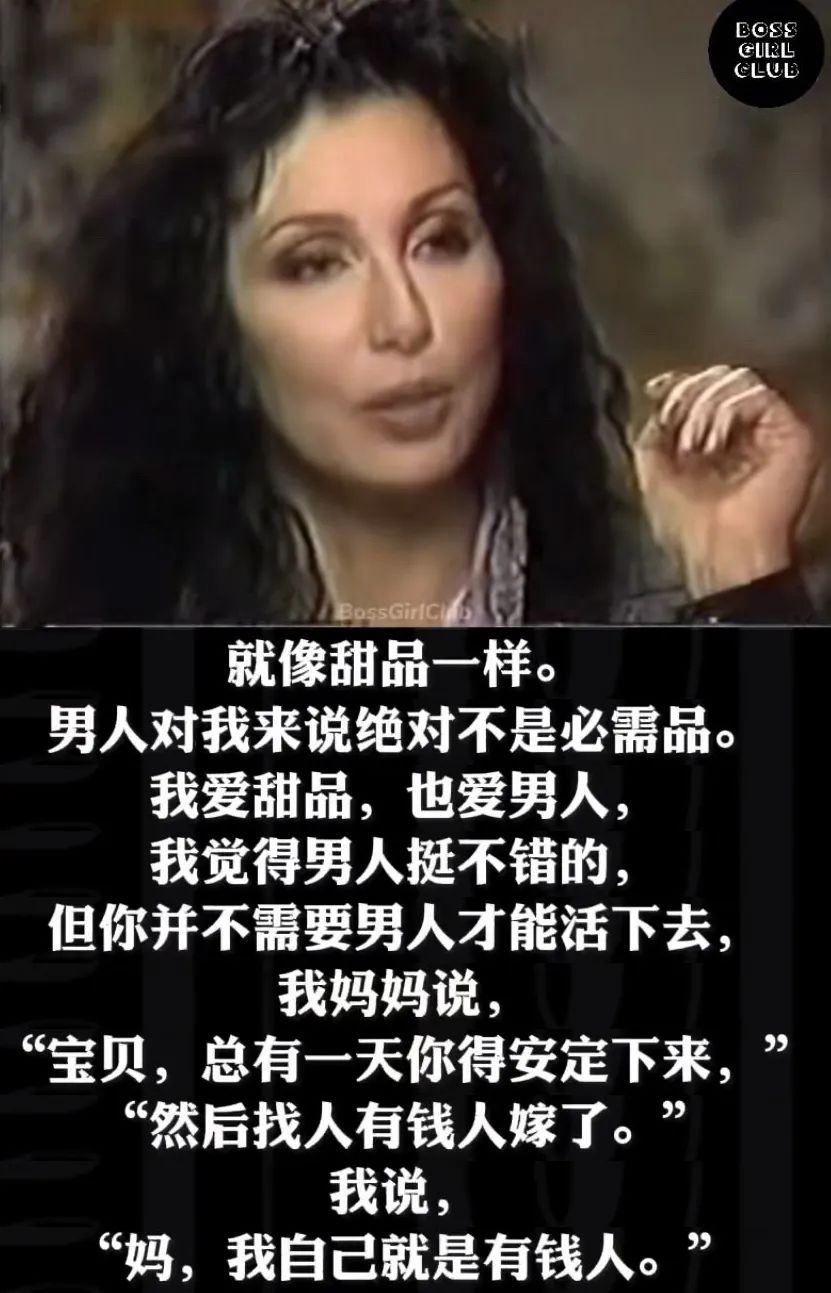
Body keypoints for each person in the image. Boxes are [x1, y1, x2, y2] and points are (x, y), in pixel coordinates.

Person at [0, 0, 818, 626]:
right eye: (315, 263)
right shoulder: (113, 612)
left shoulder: (660, 605)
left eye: (439, 241)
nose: (403, 322)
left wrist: (742, 577)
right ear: (217, 323)